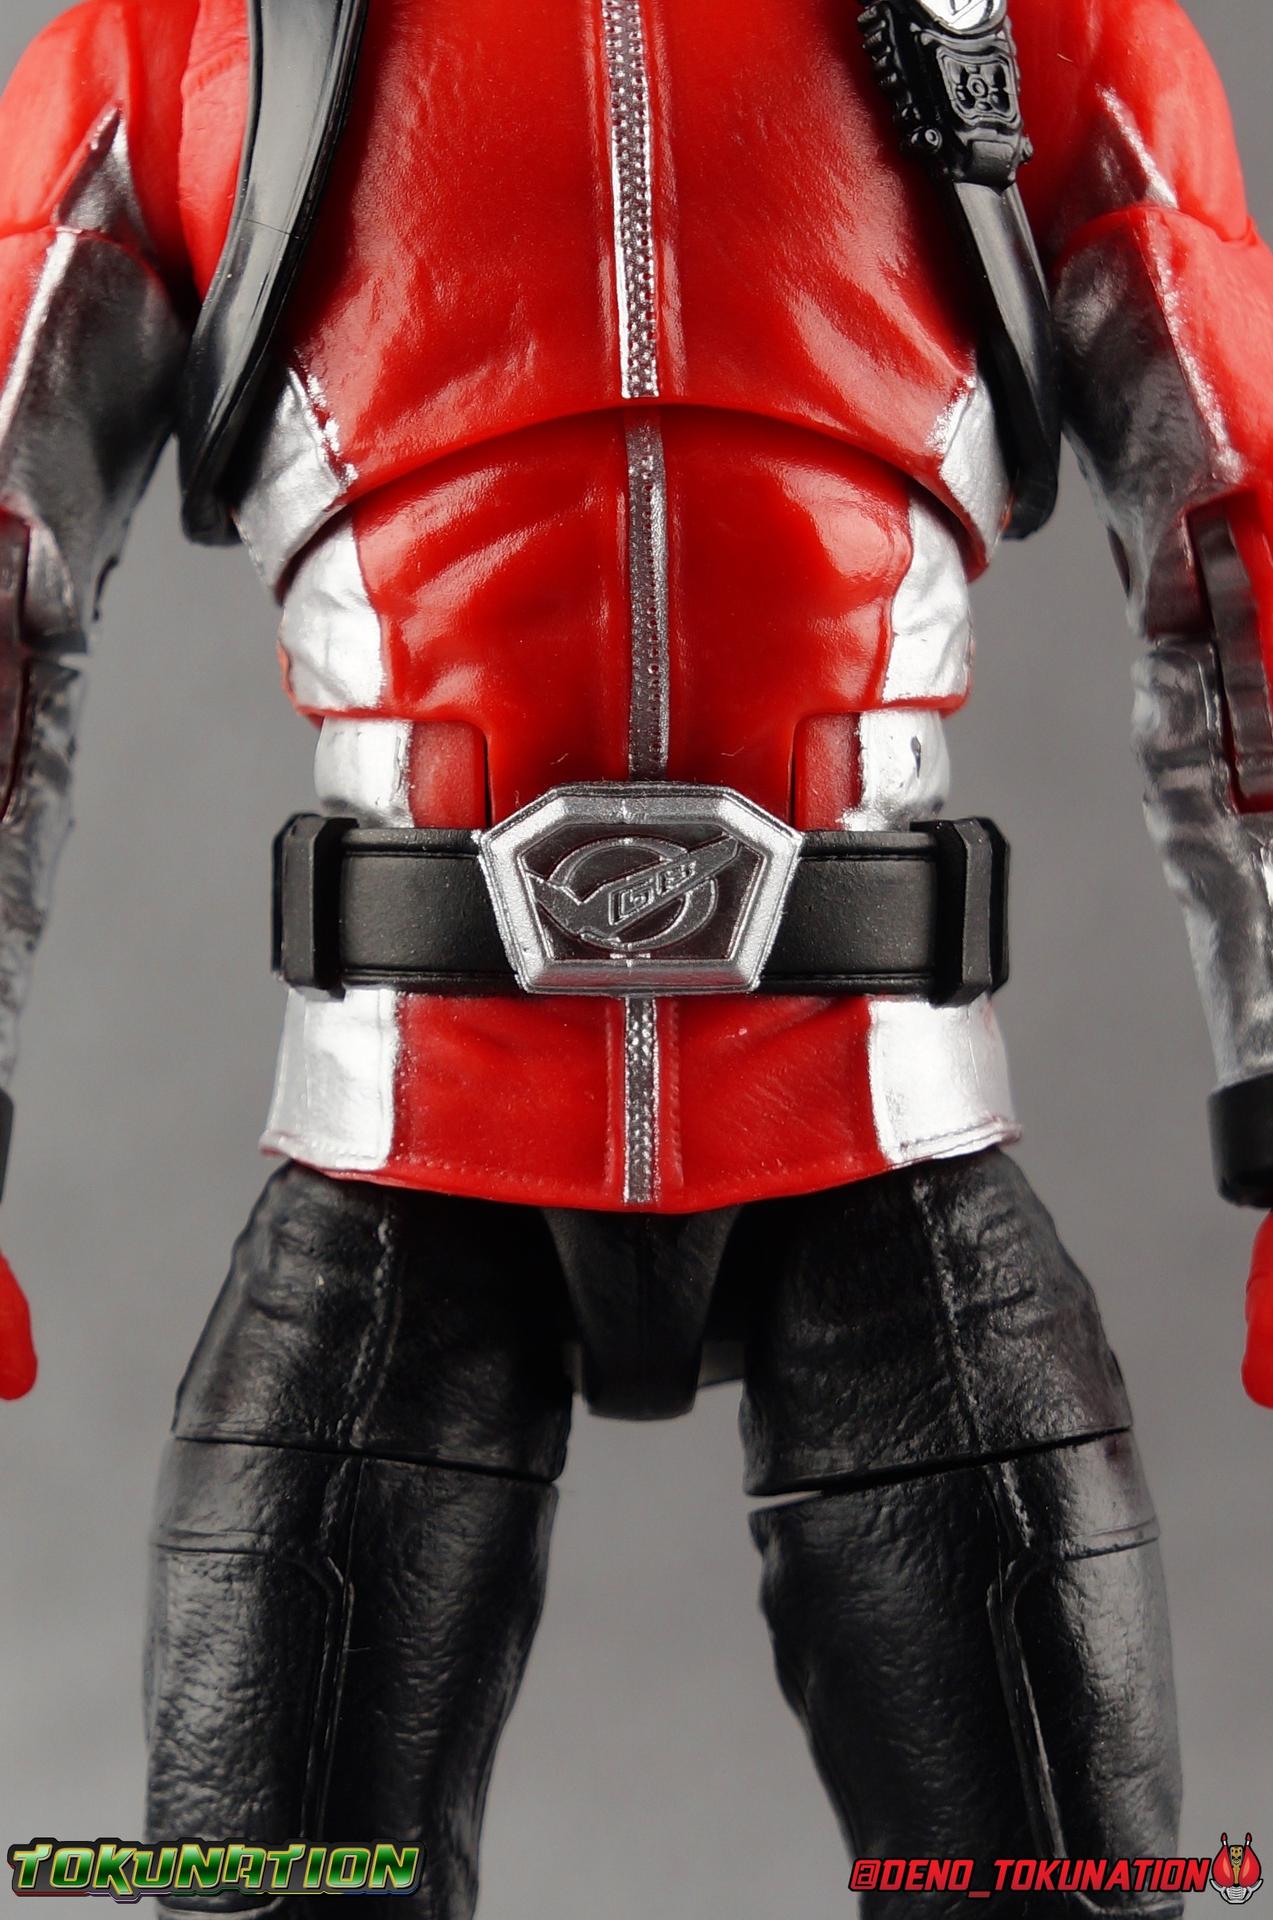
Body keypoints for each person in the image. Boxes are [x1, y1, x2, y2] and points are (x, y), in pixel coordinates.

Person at [0, 0, 1270, 1912]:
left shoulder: (1040, 21)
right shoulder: (188, 37)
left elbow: (1236, 561)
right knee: (269, 1870)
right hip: (410, 1116)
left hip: (871, 1102)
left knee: (1056, 1877)